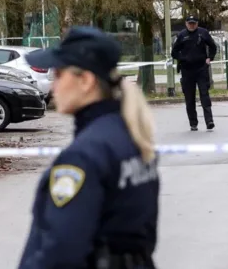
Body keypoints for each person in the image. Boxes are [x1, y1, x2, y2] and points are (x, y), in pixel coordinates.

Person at [17, 26, 160, 269]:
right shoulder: (131, 137)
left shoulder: (83, 156)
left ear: (85, 81)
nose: (54, 87)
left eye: (60, 75)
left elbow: (61, 255)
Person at [171, 15, 217, 131]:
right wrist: (182, 58)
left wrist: (210, 58)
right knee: (189, 98)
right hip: (187, 70)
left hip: (201, 69)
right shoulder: (181, 35)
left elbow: (213, 46)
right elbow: (174, 52)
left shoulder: (203, 33)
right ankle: (193, 123)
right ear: (186, 24)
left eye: (194, 23)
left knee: (204, 95)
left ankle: (209, 121)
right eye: (190, 23)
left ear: (197, 23)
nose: (192, 25)